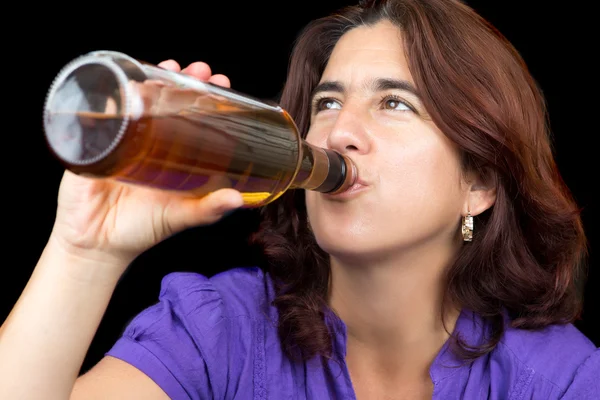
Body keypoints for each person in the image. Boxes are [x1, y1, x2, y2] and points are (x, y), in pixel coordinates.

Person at [1, 0, 598, 398]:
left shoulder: (558, 377)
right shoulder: (219, 328)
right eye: (328, 103)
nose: (338, 132)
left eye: (395, 103)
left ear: (479, 184)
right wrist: (86, 250)